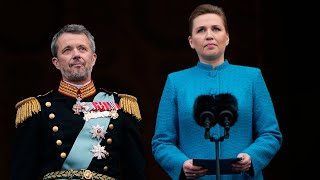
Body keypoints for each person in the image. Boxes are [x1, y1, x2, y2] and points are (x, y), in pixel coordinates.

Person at [151, 4, 282, 180]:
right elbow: (161, 142)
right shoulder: (176, 82)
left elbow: (270, 133)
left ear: (227, 37)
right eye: (201, 30)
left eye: (216, 29)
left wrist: (252, 157)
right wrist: (181, 163)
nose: (209, 35)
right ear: (191, 41)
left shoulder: (252, 78)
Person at [11, 24, 146, 180]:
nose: (76, 55)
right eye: (67, 50)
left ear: (93, 58)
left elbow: (135, 171)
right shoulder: (37, 109)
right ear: (56, 62)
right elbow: (22, 172)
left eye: (82, 49)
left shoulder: (121, 106)